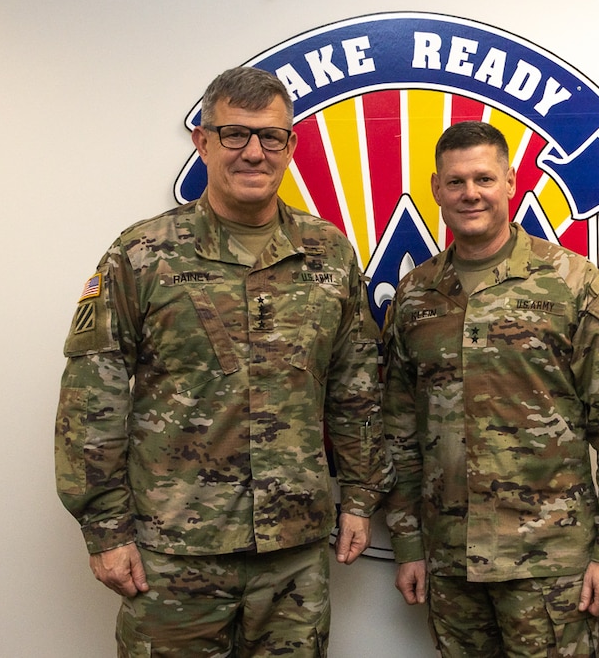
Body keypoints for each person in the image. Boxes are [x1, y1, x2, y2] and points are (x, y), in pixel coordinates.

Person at [55, 66, 395, 656]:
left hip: (294, 554)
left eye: (271, 137)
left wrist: (362, 498)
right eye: (234, 134)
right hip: (174, 549)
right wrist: (105, 528)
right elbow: (92, 397)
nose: (254, 153)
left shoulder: (329, 253)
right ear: (203, 141)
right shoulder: (143, 254)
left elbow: (355, 386)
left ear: (291, 146)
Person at [382, 121, 599, 657]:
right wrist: (409, 540)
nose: (471, 193)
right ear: (436, 189)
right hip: (451, 560)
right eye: (456, 181)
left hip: (549, 564)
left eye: (484, 178)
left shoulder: (572, 285)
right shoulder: (417, 295)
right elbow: (399, 430)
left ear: (510, 181)